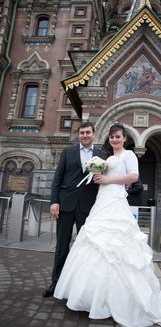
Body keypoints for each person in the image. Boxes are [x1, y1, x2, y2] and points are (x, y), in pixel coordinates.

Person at [53, 123, 161, 327]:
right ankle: (89, 294)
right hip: (101, 201)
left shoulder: (129, 155)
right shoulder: (107, 158)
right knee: (93, 242)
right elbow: (99, 180)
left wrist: (109, 179)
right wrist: (97, 178)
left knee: (115, 246)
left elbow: (134, 177)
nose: (115, 140)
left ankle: (116, 299)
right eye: (112, 137)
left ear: (124, 138)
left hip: (115, 201)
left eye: (118, 137)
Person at [42, 122, 102, 298]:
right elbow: (57, 178)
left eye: (88, 132)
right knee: (62, 245)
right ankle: (56, 283)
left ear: (93, 134)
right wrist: (54, 201)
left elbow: (101, 182)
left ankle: (80, 285)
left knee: (86, 247)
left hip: (88, 207)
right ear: (79, 134)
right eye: (82, 132)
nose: (85, 135)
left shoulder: (101, 154)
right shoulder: (68, 152)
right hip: (66, 205)